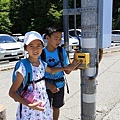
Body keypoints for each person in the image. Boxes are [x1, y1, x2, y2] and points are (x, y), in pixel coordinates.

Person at [9, 31, 80, 120]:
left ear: (43, 47)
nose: (35, 49)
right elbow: (12, 92)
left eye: (38, 46)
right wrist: (29, 104)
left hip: (44, 106)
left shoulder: (42, 63)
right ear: (25, 48)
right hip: (29, 110)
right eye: (31, 46)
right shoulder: (23, 66)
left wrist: (68, 67)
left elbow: (51, 70)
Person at [42, 25, 80, 120]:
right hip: (44, 86)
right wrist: (49, 85)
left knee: (56, 107)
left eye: (60, 38)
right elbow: (37, 74)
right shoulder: (41, 53)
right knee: (44, 109)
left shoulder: (61, 51)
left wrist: (74, 64)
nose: (59, 41)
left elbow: (67, 71)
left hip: (60, 85)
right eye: (56, 38)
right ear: (47, 38)